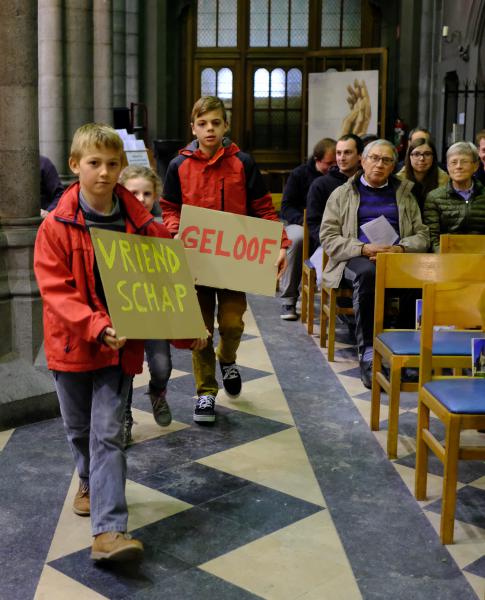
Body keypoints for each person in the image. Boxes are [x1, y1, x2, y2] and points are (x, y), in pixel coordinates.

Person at [34, 123, 206, 562]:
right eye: (94, 163)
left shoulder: (142, 225)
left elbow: (169, 281)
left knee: (109, 432)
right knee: (79, 430)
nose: (104, 173)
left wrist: (191, 327)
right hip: (73, 344)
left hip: (119, 348)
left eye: (113, 164)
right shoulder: (55, 226)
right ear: (75, 166)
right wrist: (93, 325)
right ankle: (87, 480)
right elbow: (56, 291)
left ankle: (109, 531)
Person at [161, 95, 289, 423]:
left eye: (216, 123)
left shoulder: (242, 163)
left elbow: (262, 208)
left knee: (231, 324)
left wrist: (280, 244)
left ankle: (227, 358)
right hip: (196, 260)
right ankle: (205, 392)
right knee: (199, 328)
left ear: (225, 125)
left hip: (234, 261)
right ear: (193, 127)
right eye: (202, 124)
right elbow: (170, 208)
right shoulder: (179, 165)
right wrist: (175, 231)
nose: (209, 129)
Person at [320, 139, 429, 388]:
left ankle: (403, 354)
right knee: (368, 275)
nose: (379, 164)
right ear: (363, 161)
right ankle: (368, 354)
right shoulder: (342, 194)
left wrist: (400, 248)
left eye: (387, 160)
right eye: (374, 158)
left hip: (396, 256)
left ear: (393, 166)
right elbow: (328, 238)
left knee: (416, 280)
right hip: (355, 257)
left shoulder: (404, 195)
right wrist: (362, 247)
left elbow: (423, 235)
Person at [118, 166, 172, 447]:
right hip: (124, 311)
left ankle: (157, 392)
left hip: (155, 311)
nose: (140, 199)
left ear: (155, 197)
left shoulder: (160, 231)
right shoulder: (111, 230)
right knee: (125, 370)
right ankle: (125, 417)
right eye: (133, 192)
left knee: (162, 365)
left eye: (147, 193)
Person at [279, 137, 336, 320]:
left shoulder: (337, 177)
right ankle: (289, 299)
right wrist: (303, 222)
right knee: (295, 240)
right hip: (300, 223)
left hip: (326, 225)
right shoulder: (300, 174)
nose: (333, 166)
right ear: (317, 159)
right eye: (329, 163)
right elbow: (286, 206)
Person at [424, 141, 485, 252]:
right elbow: (432, 238)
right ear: (447, 167)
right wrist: (446, 258)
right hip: (446, 258)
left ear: (475, 166)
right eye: (453, 162)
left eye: (464, 162)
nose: (458, 167)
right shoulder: (434, 197)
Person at [307, 134, 363, 253]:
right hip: (328, 246)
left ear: (360, 155)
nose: (341, 158)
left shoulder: (367, 183)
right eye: (338, 153)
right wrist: (332, 244)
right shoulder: (320, 184)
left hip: (364, 243)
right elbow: (313, 223)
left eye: (347, 153)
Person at [396, 137, 448, 215]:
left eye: (427, 154)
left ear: (433, 157)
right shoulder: (398, 180)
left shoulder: (445, 179)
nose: (422, 158)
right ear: (409, 157)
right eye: (416, 154)